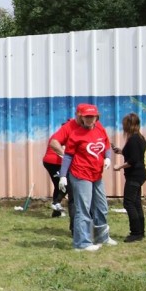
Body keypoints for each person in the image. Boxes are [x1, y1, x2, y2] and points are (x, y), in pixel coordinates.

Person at [58, 105, 116, 251]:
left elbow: (107, 145)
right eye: (87, 117)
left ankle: (102, 237)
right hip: (80, 174)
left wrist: (108, 158)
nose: (90, 119)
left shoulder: (100, 129)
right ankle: (81, 243)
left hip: (96, 174)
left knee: (102, 206)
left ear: (97, 117)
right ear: (81, 117)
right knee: (83, 209)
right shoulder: (76, 134)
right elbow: (68, 156)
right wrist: (63, 176)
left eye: (92, 117)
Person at [113, 113, 146, 242]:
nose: (123, 127)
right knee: (136, 203)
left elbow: (133, 160)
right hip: (140, 174)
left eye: (124, 124)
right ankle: (140, 232)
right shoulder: (139, 138)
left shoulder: (133, 139)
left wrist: (119, 167)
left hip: (135, 175)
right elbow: (134, 154)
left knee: (128, 203)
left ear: (128, 125)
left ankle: (135, 233)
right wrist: (121, 151)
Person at [43, 121, 71, 218]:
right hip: (53, 163)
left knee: (58, 186)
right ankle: (56, 203)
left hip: (53, 162)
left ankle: (56, 212)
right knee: (66, 184)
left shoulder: (60, 134)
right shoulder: (65, 136)